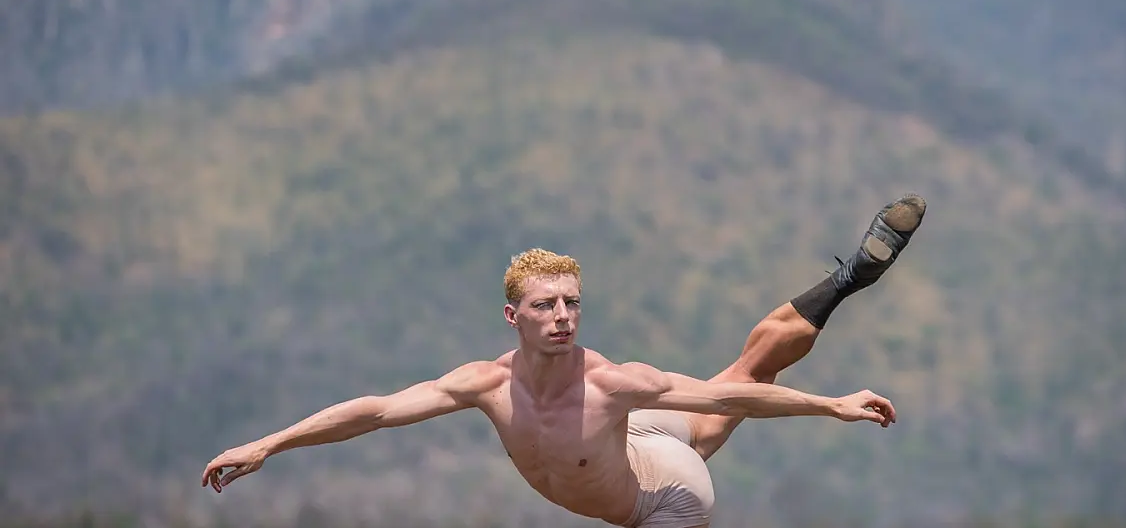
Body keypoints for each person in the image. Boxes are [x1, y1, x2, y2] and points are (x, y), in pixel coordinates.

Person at [202, 195, 926, 528]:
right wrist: (271, 443)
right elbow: (378, 411)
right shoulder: (484, 384)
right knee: (746, 370)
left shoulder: (613, 382)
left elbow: (730, 407)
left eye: (572, 304)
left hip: (663, 496)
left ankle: (841, 286)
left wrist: (832, 405)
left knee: (732, 392)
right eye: (546, 307)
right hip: (640, 438)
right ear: (513, 316)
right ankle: (845, 282)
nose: (563, 318)